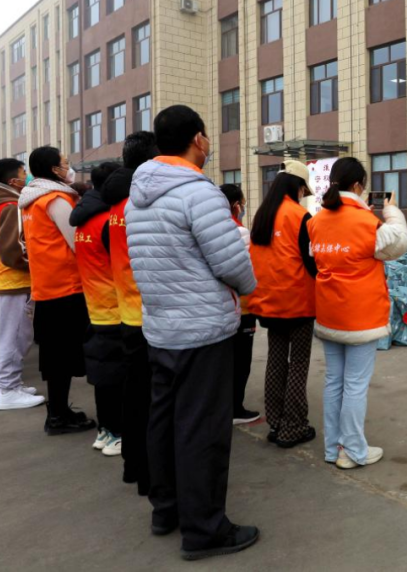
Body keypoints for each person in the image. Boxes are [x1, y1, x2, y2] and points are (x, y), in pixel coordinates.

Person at [126, 105, 258, 560]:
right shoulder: (198, 193)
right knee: (203, 430)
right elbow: (231, 262)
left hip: (161, 327)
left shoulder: (138, 195)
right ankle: (204, 529)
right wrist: (248, 286)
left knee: (163, 422)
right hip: (202, 330)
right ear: (198, 139)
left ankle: (167, 510)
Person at [307, 157, 407, 470]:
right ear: (357, 186)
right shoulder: (366, 222)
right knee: (354, 385)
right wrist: (391, 211)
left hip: (329, 312)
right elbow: (399, 243)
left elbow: (315, 255)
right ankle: (353, 451)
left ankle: (333, 448)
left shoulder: (316, 221)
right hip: (361, 315)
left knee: (334, 382)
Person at [19, 146, 96, 436]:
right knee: (64, 356)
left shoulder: (30, 202)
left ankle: (58, 411)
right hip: (66, 287)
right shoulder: (55, 199)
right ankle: (58, 416)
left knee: (55, 357)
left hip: (46, 287)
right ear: (54, 170)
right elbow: (78, 241)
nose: (68, 167)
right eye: (65, 163)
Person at [103, 130, 159, 495]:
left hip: (127, 313)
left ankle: (134, 466)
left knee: (135, 397)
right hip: (150, 316)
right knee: (152, 402)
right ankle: (150, 474)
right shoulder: (142, 205)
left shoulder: (114, 206)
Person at [249, 161, 318, 447]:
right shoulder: (300, 216)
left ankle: (276, 423)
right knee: (298, 364)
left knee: (276, 361)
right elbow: (311, 261)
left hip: (267, 302)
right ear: (297, 187)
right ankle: (293, 428)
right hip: (297, 302)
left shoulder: (262, 214)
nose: (303, 194)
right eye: (303, 189)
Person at [70, 162, 126, 457]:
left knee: (104, 375)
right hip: (116, 309)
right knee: (117, 377)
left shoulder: (84, 219)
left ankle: (106, 430)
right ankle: (116, 432)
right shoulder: (108, 221)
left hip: (96, 308)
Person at [0, 159, 44, 410]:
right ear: (13, 181)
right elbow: (12, 250)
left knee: (3, 337)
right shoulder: (11, 207)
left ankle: (9, 385)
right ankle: (7, 390)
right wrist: (35, 266)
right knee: (15, 337)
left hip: (1, 281)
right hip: (13, 282)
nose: (27, 177)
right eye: (24, 173)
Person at [220, 183, 261, 426]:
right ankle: (235, 408)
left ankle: (222, 407)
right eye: (242, 204)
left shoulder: (208, 229)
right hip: (242, 308)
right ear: (236, 206)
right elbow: (245, 273)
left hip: (217, 309)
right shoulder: (240, 232)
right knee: (240, 362)